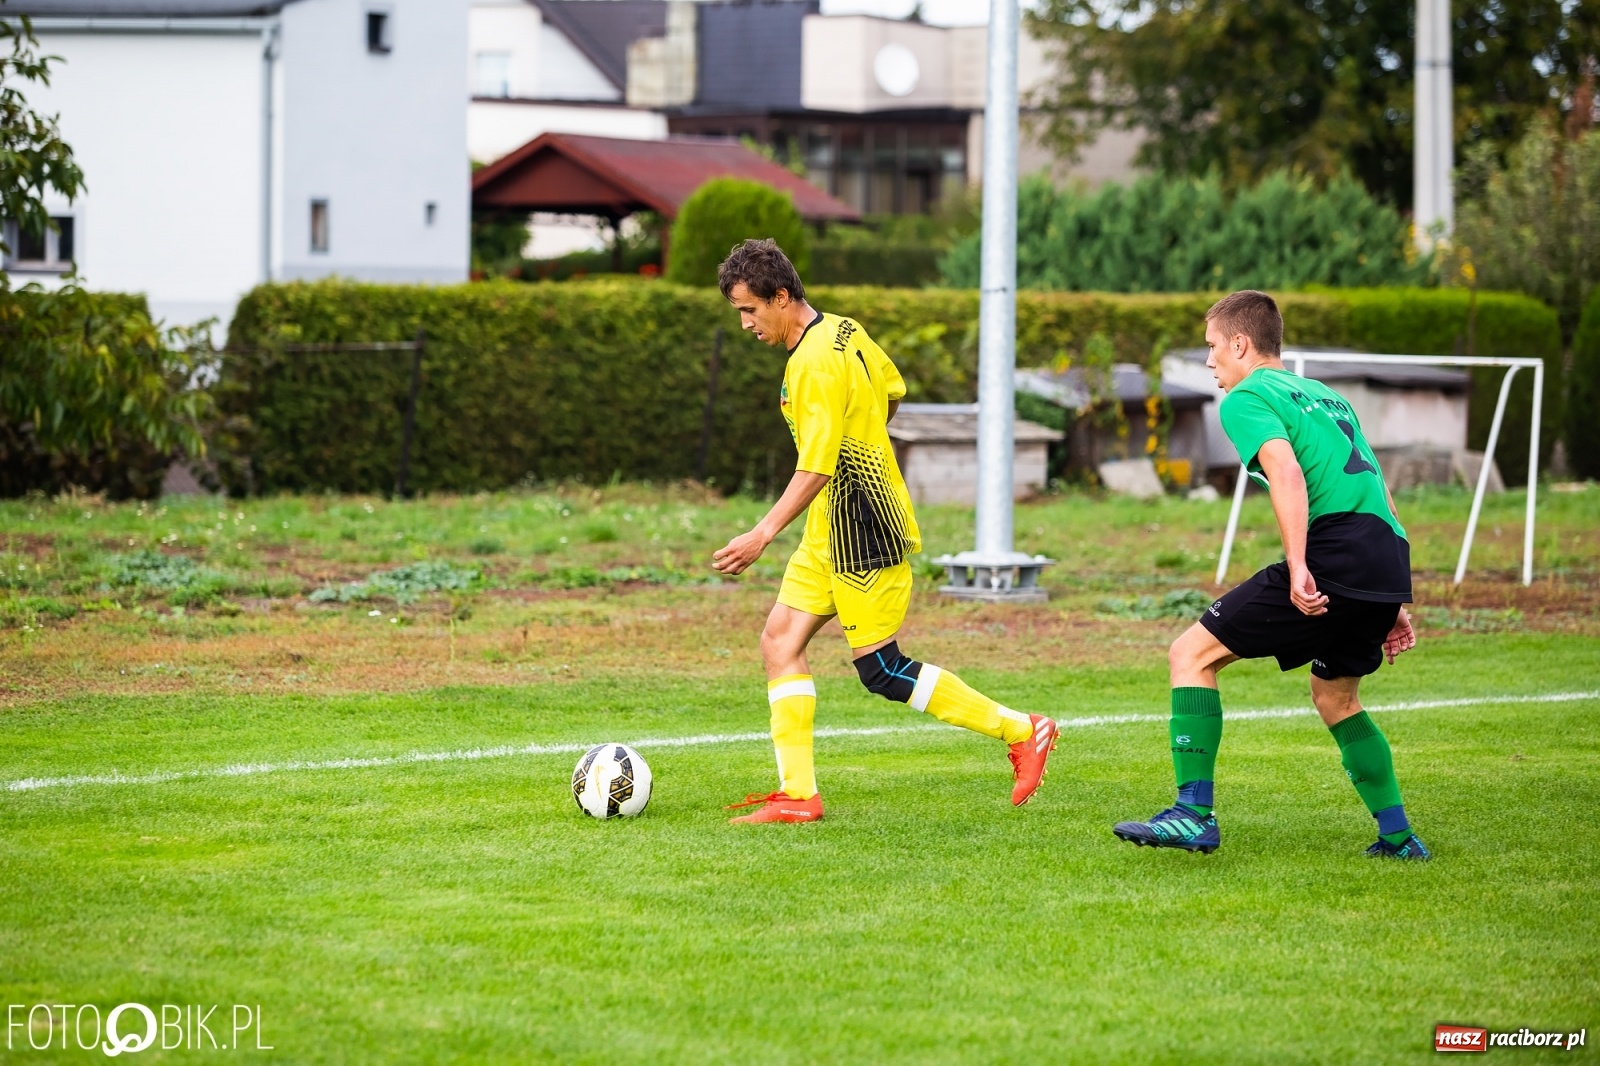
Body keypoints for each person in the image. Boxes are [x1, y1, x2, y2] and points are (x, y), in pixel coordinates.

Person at [710, 238, 1059, 824]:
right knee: (779, 642)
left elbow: (816, 466)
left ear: (780, 296)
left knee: (882, 670)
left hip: (864, 526)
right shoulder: (845, 329)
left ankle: (1023, 730)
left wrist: (761, 533)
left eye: (750, 309)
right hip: (828, 528)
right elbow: (891, 395)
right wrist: (862, 439)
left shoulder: (812, 362)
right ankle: (798, 796)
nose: (746, 323)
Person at [1112, 290, 1429, 859]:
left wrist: (1301, 566)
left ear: (1240, 344)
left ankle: (1192, 815)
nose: (1209, 360)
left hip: (1335, 553)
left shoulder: (1247, 396)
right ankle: (1399, 838)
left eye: (1212, 346)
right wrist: (1392, 597)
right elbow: (1376, 486)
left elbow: (1286, 471)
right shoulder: (1328, 397)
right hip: (1384, 556)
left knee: (1190, 656)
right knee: (1336, 698)